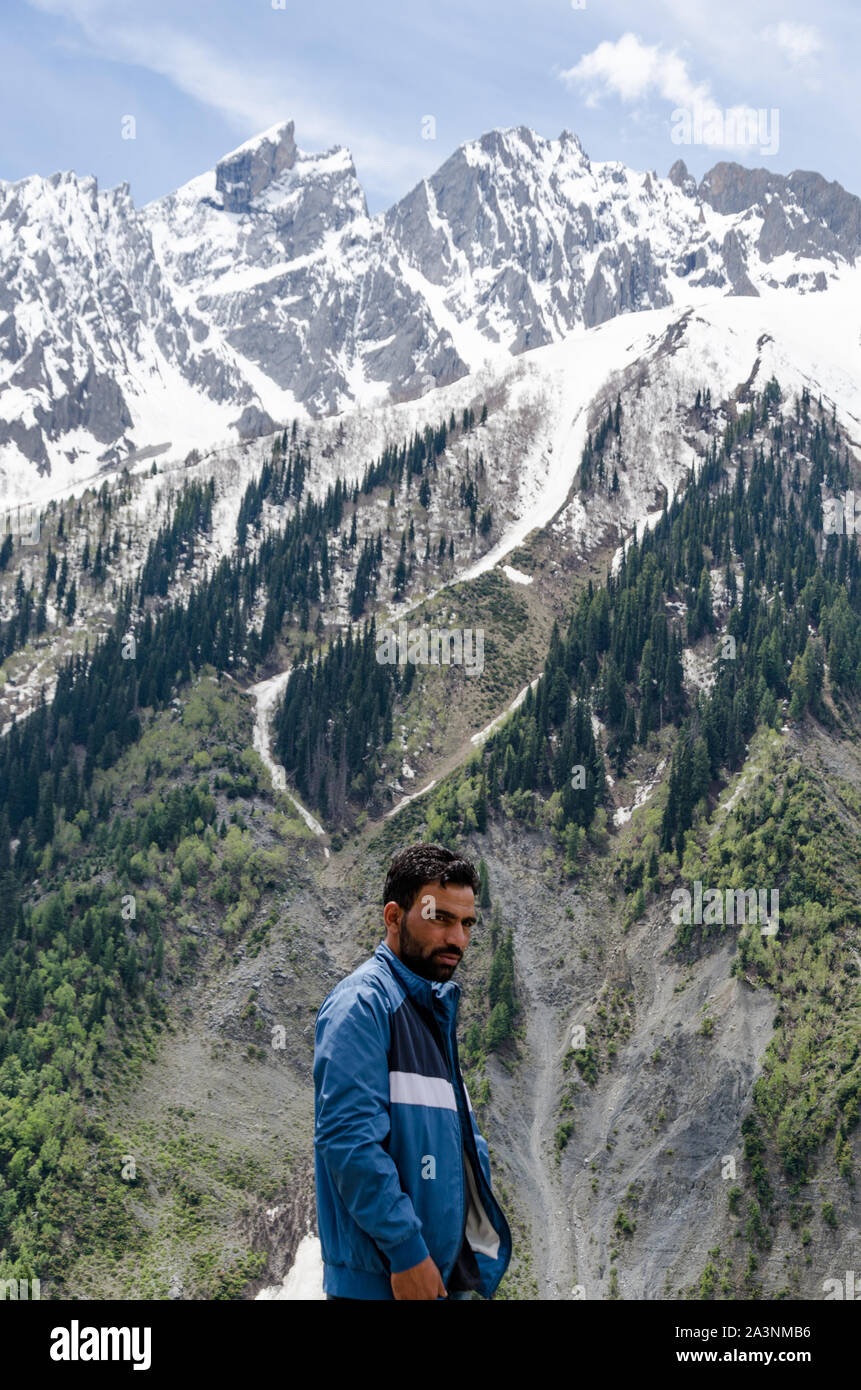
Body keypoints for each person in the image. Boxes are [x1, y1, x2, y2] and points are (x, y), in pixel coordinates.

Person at [313, 842, 512, 1300]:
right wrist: (407, 1253)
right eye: (440, 918)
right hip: (385, 1287)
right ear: (394, 916)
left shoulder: (427, 1010)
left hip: (435, 1282)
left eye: (465, 924)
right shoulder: (362, 1006)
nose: (457, 939)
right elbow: (349, 1143)